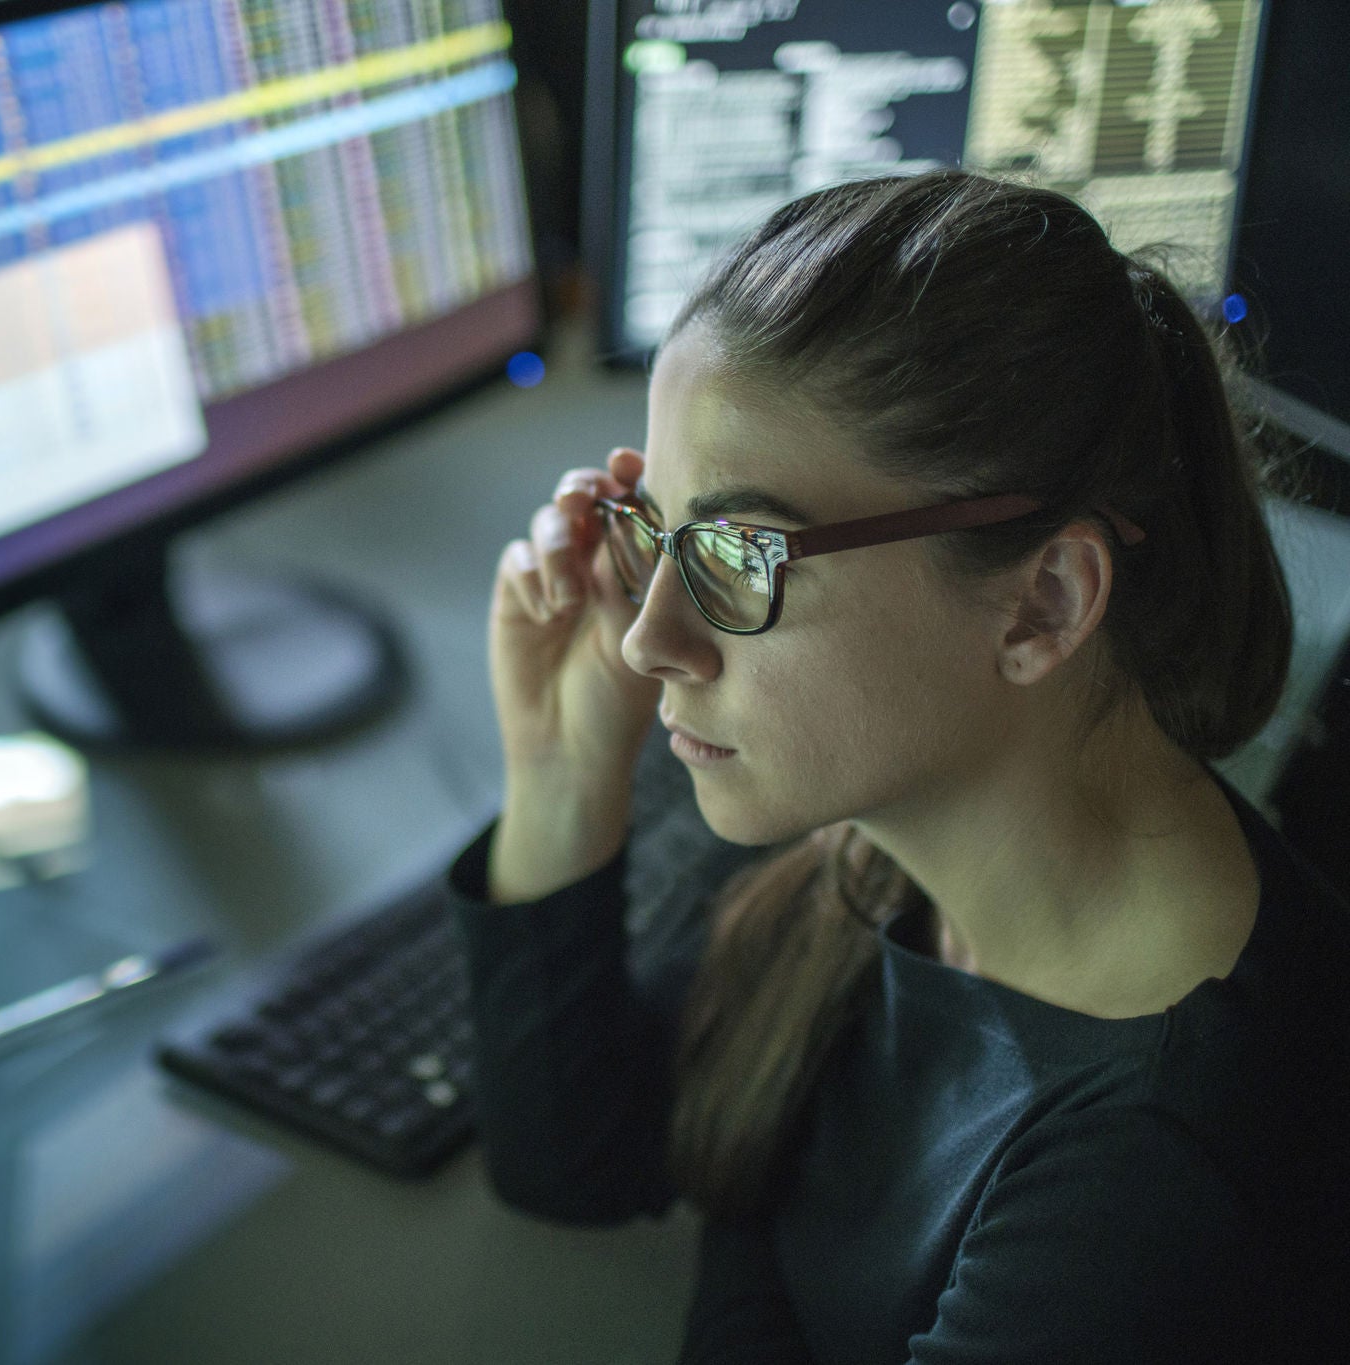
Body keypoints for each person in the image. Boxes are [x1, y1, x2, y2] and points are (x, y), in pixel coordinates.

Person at [451, 168, 1350, 1362]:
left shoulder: (1159, 1193)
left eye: (737, 553)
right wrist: (563, 776)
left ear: (1042, 603)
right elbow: (576, 1159)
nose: (644, 638)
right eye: (652, 532)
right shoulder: (885, 845)